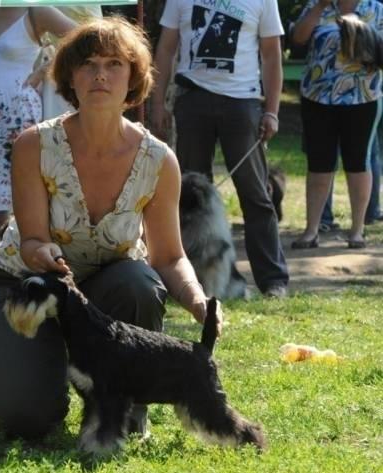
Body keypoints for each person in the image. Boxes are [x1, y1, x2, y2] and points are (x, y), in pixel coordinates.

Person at [0, 17, 211, 439]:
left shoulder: (159, 160)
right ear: (69, 77)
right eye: (88, 64)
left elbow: (169, 257)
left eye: (114, 64)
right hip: (27, 286)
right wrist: (42, 252)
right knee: (27, 420)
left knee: (138, 282)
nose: (101, 74)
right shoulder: (33, 145)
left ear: (133, 77)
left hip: (105, 298)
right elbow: (32, 241)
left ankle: (125, 410)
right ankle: (45, 377)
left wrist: (197, 301)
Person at [151, 0, 289, 298]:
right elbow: (166, 48)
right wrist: (158, 102)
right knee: (186, 197)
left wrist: (272, 111)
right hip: (192, 99)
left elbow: (271, 54)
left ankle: (273, 280)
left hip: (242, 102)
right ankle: (184, 278)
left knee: (255, 195)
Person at [0, 7, 76, 275]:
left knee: (20, 204)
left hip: (17, 114)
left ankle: (28, 277)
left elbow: (82, 40)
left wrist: (43, 70)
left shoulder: (36, 10)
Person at [291, 0, 383, 250]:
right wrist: (319, 7)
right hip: (317, 97)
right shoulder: (316, 5)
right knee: (318, 163)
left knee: (358, 163)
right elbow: (298, 39)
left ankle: (357, 231)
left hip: (362, 97)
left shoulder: (376, 10)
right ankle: (311, 230)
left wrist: (365, 42)